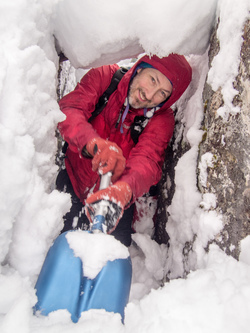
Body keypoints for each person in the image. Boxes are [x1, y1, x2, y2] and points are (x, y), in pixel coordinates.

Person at [56, 54, 192, 247]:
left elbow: (148, 161)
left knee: (110, 256)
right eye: (152, 80)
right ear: (140, 68)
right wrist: (94, 145)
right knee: (61, 245)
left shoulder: (161, 119)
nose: (150, 95)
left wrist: (123, 191)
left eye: (162, 93)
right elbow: (70, 109)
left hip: (116, 198)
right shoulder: (105, 77)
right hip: (74, 180)